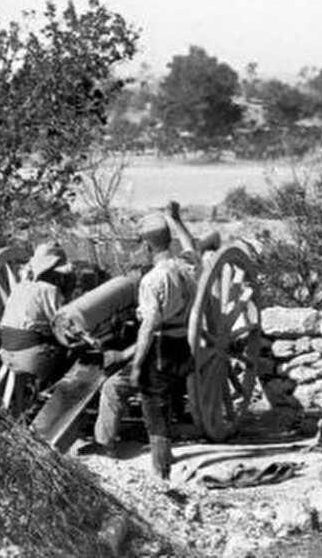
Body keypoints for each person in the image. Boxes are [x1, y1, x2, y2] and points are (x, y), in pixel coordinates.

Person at [90, 202, 199, 479]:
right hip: (182, 347)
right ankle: (163, 461)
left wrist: (135, 364)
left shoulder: (152, 280)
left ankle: (118, 455)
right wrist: (177, 219)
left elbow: (148, 328)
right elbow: (192, 249)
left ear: (147, 247)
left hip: (159, 350)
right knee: (162, 404)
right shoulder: (187, 267)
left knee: (122, 393)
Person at [0, 242, 74, 403]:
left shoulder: (19, 288)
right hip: (32, 358)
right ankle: (54, 400)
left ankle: (35, 396)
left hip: (6, 354)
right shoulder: (50, 290)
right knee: (73, 359)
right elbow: (63, 325)